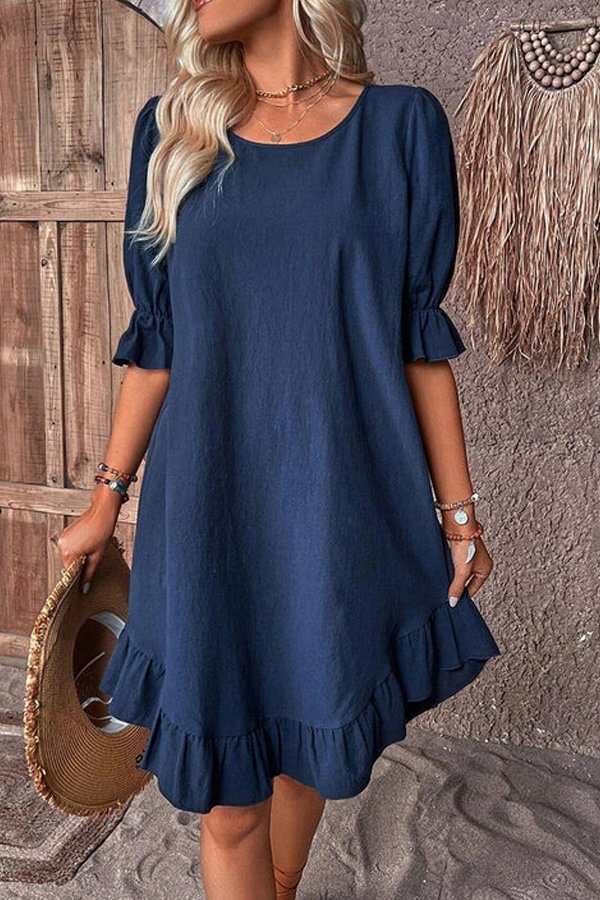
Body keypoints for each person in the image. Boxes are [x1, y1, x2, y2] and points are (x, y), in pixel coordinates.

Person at [56, 1, 502, 897]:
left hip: (344, 501)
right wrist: (107, 496)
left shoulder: (401, 127)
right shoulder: (170, 132)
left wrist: (460, 517)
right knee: (228, 807)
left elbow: (419, 345)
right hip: (208, 507)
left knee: (309, 745)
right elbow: (158, 344)